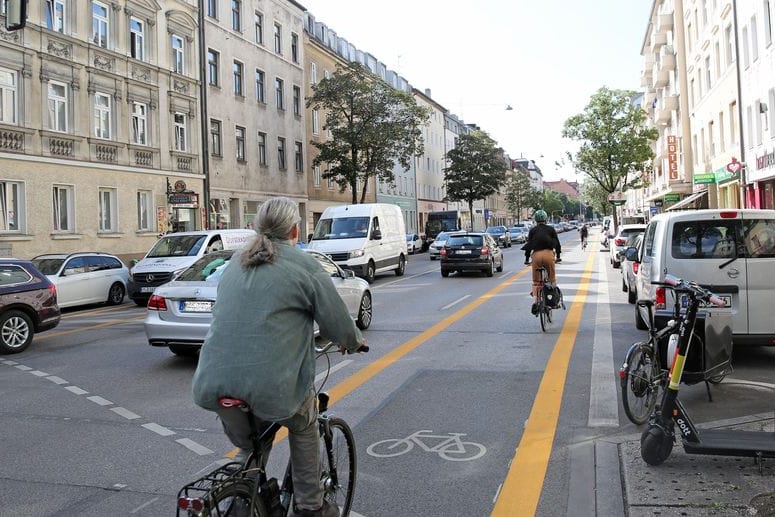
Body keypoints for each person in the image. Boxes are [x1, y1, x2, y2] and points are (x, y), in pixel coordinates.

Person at [192, 197, 366, 517]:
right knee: (303, 425)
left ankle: (238, 497)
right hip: (273, 386)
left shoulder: (236, 262)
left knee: (250, 445)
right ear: (295, 230)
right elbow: (338, 322)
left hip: (214, 382)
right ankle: (310, 505)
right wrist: (353, 342)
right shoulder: (305, 266)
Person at [522, 209, 562, 315]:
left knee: (536, 282)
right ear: (546, 219)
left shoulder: (532, 230)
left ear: (535, 220)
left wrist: (526, 259)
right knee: (551, 279)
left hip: (536, 256)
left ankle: (535, 301)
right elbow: (557, 244)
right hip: (549, 255)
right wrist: (558, 256)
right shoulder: (551, 229)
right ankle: (553, 302)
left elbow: (529, 246)